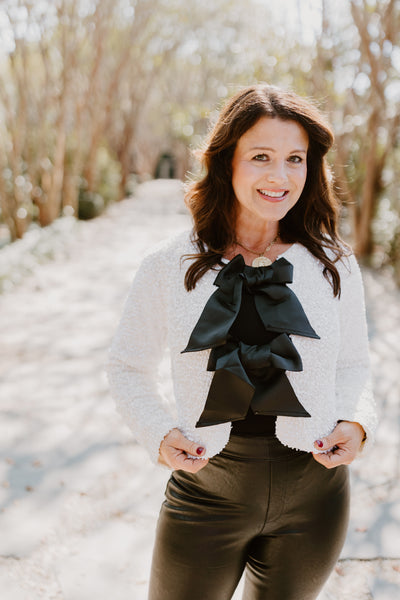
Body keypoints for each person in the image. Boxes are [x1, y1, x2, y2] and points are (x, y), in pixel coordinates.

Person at [107, 84, 377, 600]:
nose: (280, 176)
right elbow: (126, 366)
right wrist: (158, 433)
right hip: (206, 496)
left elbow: (355, 365)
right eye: (260, 157)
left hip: (315, 501)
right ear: (225, 161)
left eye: (295, 158)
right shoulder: (170, 263)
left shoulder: (333, 264)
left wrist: (358, 423)